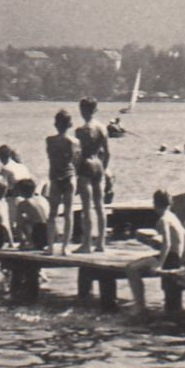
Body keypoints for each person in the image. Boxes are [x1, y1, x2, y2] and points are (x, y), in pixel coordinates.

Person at [125, 189, 185, 311]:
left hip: (170, 258)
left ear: (155, 204)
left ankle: (140, 305)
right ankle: (141, 304)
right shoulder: (173, 216)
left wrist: (159, 265)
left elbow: (167, 243)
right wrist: (184, 259)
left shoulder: (163, 219)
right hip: (176, 257)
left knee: (131, 268)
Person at [75, 97, 111, 253]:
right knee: (100, 206)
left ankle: (87, 244)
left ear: (82, 110)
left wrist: (75, 172)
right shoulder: (102, 128)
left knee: (86, 206)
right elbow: (108, 153)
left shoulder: (81, 130)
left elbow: (77, 155)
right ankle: (101, 243)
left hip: (86, 165)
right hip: (99, 165)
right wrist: (104, 169)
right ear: (95, 110)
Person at [44, 110, 78, 255]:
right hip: (69, 176)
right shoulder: (74, 141)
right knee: (68, 213)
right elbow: (76, 160)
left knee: (52, 214)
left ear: (55, 124)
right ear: (70, 124)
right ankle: (65, 247)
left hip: (55, 178)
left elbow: (50, 157)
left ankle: (51, 246)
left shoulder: (49, 140)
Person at [11, 179, 52, 250]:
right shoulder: (42, 199)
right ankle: (35, 242)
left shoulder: (22, 204)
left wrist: (21, 242)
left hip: (40, 234)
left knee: (22, 221)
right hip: (52, 233)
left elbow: (19, 223)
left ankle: (28, 243)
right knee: (32, 219)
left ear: (20, 191)